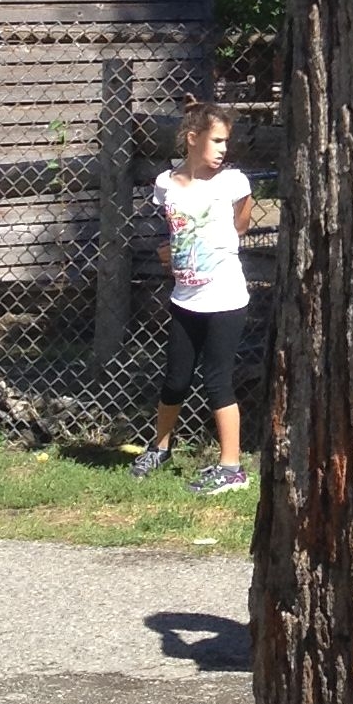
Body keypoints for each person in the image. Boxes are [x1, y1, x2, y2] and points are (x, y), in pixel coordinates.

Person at [137, 102, 255, 496]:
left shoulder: (233, 183)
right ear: (193, 138)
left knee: (217, 380)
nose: (223, 149)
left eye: (226, 141)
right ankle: (160, 447)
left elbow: (239, 226)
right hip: (185, 298)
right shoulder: (165, 184)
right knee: (175, 379)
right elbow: (177, 232)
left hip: (224, 298)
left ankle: (231, 467)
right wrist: (174, 252)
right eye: (216, 140)